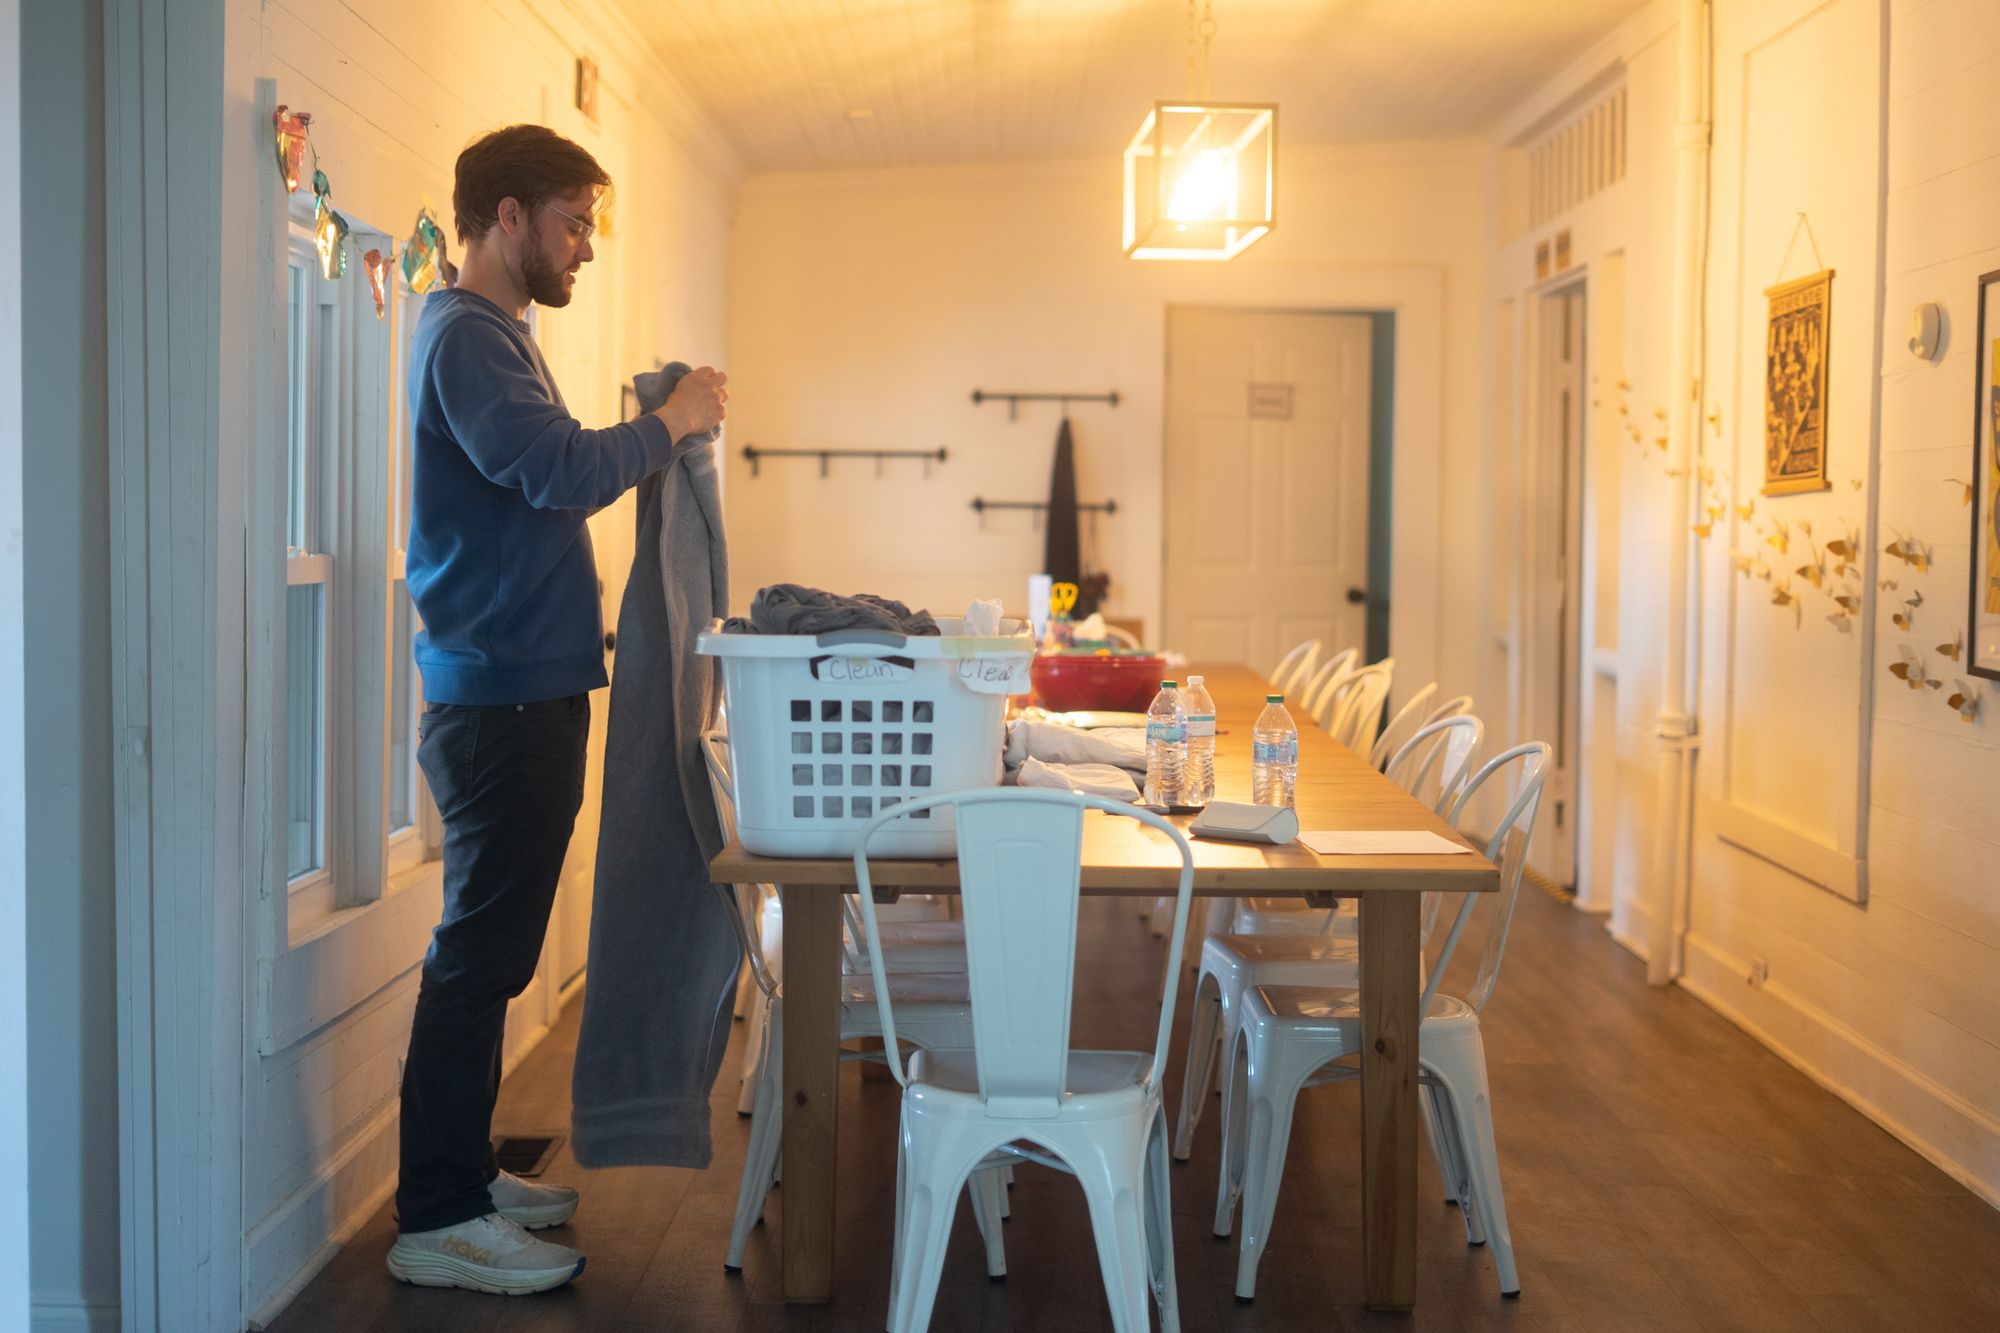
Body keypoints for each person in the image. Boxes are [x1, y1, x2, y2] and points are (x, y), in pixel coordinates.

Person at [386, 124, 727, 1296]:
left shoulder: (497, 336)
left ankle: (464, 1179)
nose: (583, 248)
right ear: (510, 218)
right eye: (572, 223)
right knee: (477, 957)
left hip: (521, 687)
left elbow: (538, 490)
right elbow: (559, 473)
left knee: (491, 951)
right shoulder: (468, 337)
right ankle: (434, 1215)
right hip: (497, 704)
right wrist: (672, 421)